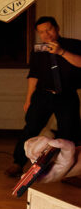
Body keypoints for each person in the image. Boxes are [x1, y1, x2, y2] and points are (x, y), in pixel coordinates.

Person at [5, 16, 81, 177]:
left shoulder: (73, 45)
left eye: (49, 30)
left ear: (57, 28)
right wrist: (28, 99)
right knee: (30, 128)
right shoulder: (38, 49)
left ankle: (65, 169)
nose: (46, 35)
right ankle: (17, 162)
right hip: (42, 95)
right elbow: (34, 75)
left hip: (67, 95)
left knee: (69, 132)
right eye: (42, 32)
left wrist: (62, 52)